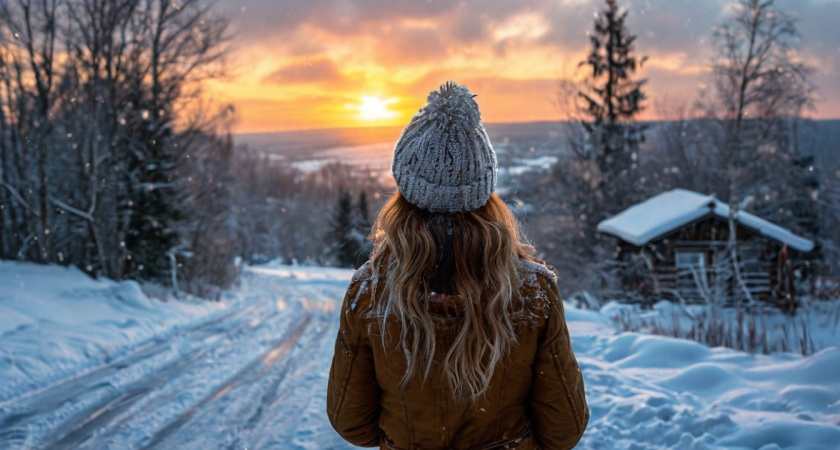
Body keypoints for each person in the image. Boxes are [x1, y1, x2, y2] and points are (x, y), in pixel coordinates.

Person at [327, 82, 588, 450]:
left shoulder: (370, 292)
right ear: (485, 194)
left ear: (403, 193)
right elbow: (564, 429)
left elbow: (351, 423)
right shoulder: (533, 290)